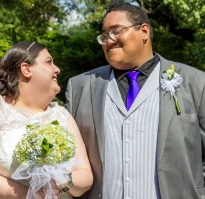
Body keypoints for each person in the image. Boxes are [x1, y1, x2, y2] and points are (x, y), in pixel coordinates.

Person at [65, 1, 205, 199]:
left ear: (144, 32)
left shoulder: (196, 82)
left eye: (116, 31)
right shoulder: (80, 87)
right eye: (104, 36)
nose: (109, 40)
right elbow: (68, 158)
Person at [0, 41, 93, 199]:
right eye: (49, 62)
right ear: (26, 69)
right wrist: (31, 196)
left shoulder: (62, 116)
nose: (57, 69)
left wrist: (63, 181)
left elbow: (85, 176)